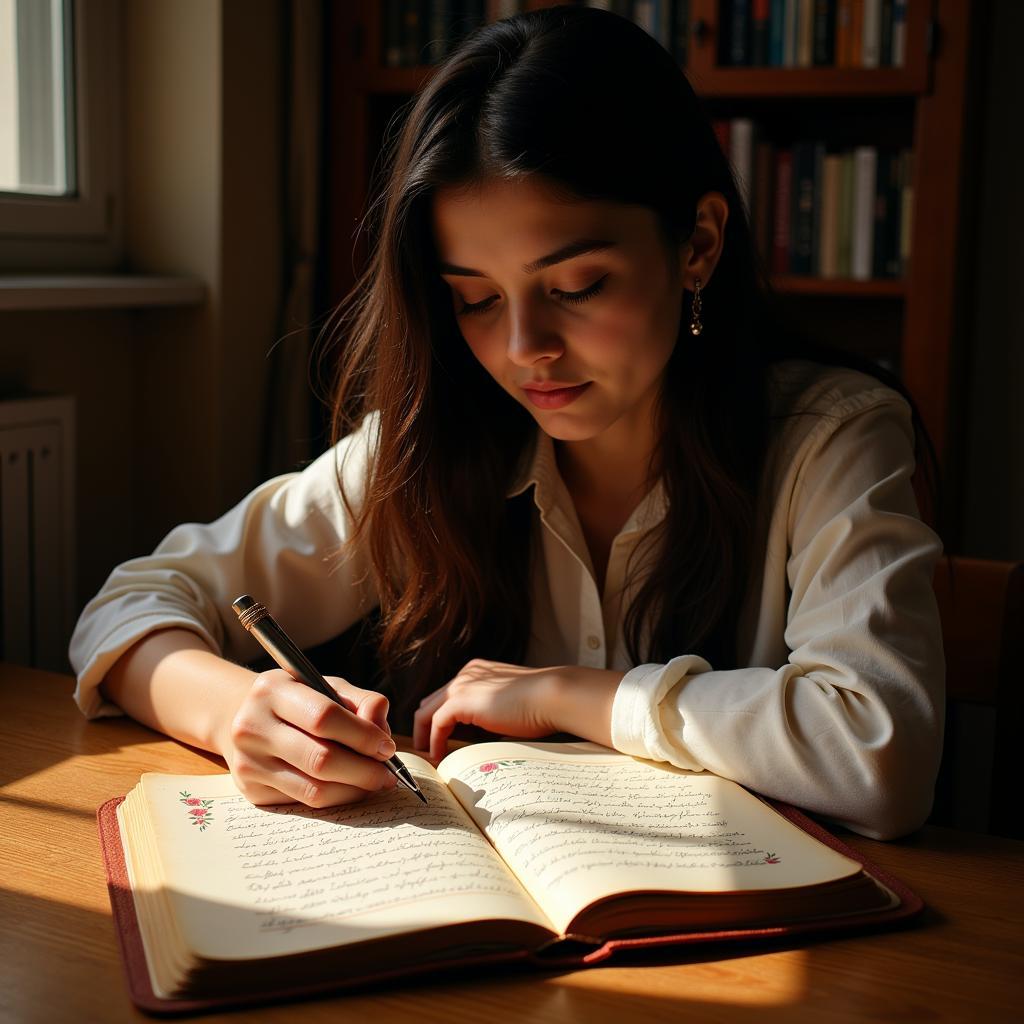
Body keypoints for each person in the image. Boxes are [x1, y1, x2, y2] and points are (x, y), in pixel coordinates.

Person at [69, 5, 945, 841]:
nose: (526, 349)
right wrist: (238, 714)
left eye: (576, 287)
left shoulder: (830, 435)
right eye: (475, 299)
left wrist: (576, 695)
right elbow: (130, 603)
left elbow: (880, 752)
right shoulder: (430, 446)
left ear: (698, 245)